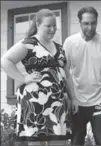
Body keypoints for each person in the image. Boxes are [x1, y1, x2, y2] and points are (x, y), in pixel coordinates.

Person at [1, 9, 76, 146]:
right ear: (37, 24)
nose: (52, 29)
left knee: (60, 142)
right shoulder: (29, 44)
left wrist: (73, 98)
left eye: (55, 26)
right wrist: (23, 78)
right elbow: (5, 61)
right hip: (35, 103)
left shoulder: (60, 49)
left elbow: (68, 76)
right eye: (48, 26)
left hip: (57, 105)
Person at [63, 6, 101, 145]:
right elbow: (64, 72)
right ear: (80, 23)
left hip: (99, 103)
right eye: (86, 23)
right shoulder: (70, 42)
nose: (90, 27)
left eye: (93, 23)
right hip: (77, 102)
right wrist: (71, 98)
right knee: (76, 142)